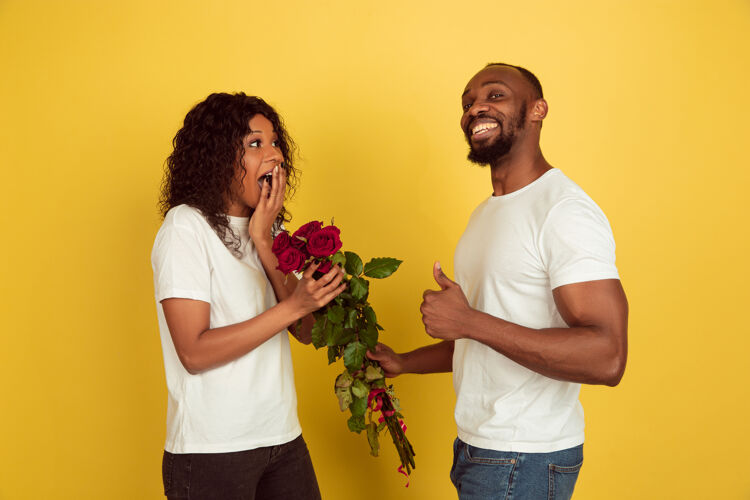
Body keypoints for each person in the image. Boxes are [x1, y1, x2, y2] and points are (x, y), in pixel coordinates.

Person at [368, 63, 628, 500]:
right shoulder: (487, 213)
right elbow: (487, 337)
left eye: (495, 95)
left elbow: (607, 357)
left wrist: (468, 321)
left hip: (523, 456)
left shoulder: (563, 211)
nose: (476, 108)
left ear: (537, 110)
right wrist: (405, 362)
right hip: (480, 449)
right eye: (468, 102)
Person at [151, 93, 345, 500]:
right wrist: (293, 305)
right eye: (255, 144)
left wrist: (261, 239)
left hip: (282, 438)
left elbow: (306, 331)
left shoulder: (269, 231)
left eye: (275, 142)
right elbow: (195, 353)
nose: (273, 155)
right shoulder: (185, 228)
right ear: (217, 157)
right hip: (213, 451)